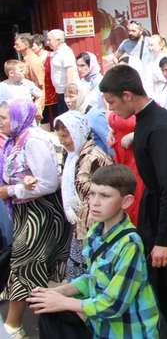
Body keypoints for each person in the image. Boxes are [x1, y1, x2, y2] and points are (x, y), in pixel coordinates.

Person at [99, 64, 167, 338]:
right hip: (156, 212)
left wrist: (164, 240)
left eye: (112, 102)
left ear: (128, 95)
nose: (111, 110)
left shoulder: (159, 126)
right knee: (164, 290)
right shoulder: (146, 120)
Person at [29, 165, 160, 339]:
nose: (94, 202)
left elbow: (113, 304)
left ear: (126, 201)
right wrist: (58, 293)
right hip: (103, 329)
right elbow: (93, 278)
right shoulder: (95, 231)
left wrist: (64, 302)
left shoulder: (130, 244)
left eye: (104, 196)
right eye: (92, 193)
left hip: (131, 331)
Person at [0, 99, 70, 339]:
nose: (1, 122)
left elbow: (48, 182)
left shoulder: (33, 141)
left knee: (23, 265)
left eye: (4, 118)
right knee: (29, 266)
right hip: (24, 211)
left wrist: (11, 191)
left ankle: (13, 326)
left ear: (19, 117)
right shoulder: (14, 140)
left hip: (40, 213)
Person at [53, 110, 114, 281]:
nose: (64, 142)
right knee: (78, 271)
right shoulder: (76, 156)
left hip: (95, 224)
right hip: (83, 222)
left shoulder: (92, 157)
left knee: (89, 273)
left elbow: (103, 192)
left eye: (67, 136)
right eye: (60, 138)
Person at [47, 29, 77, 118]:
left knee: (68, 117)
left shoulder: (65, 52)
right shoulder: (57, 52)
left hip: (66, 92)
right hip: (60, 91)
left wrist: (69, 92)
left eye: (49, 40)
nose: (47, 42)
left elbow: (70, 70)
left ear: (58, 40)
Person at [14, 34, 44, 117]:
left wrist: (38, 108)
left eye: (17, 44)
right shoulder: (26, 60)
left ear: (26, 45)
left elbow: (40, 87)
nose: (14, 46)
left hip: (34, 106)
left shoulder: (33, 61)